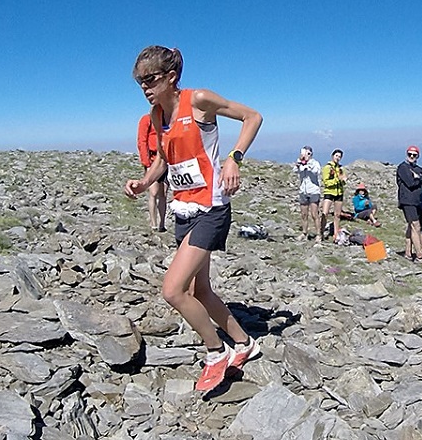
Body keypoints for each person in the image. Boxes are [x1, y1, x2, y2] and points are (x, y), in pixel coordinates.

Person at [123, 45, 263, 392]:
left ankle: (216, 353)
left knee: (173, 290)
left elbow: (253, 117)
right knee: (199, 289)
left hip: (212, 208)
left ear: (171, 78)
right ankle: (245, 344)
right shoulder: (157, 116)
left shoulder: (198, 100)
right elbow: (163, 160)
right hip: (183, 209)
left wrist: (234, 158)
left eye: (150, 79)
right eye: (140, 82)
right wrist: (144, 183)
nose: (145, 88)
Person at [396, 146, 422, 261]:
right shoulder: (402, 167)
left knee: (411, 225)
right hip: (407, 200)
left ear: (417, 156)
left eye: (414, 155)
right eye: (410, 154)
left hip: (417, 201)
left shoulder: (419, 169)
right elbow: (410, 182)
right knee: (416, 225)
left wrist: (418, 177)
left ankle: (408, 252)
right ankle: (419, 255)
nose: (411, 156)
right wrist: (419, 179)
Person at [137, 113, 168, 231]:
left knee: (163, 193)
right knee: (153, 193)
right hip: (153, 160)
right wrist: (147, 164)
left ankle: (162, 224)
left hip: (166, 161)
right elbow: (142, 141)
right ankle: (153, 223)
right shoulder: (146, 119)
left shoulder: (166, 119)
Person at [292, 146, 321, 240]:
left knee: (314, 214)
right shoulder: (300, 162)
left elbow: (316, 172)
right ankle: (304, 233)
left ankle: (318, 234)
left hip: (313, 191)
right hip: (303, 191)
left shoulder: (315, 163)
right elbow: (294, 171)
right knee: (304, 214)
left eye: (308, 154)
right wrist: (299, 164)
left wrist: (308, 164)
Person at [321, 149, 346, 242]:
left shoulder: (341, 168)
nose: (338, 158)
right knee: (325, 213)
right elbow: (326, 182)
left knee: (337, 214)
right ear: (333, 156)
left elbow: (343, 180)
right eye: (336, 156)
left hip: (339, 193)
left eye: (339, 157)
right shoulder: (327, 167)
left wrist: (343, 180)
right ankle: (321, 232)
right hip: (329, 192)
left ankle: (336, 234)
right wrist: (337, 180)